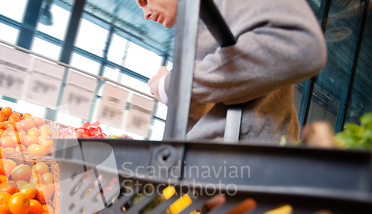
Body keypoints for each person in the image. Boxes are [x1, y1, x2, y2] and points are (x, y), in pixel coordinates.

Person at [136, 0, 327, 143]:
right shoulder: (199, 22)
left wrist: (169, 84)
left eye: (145, 0)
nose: (145, 14)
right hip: (216, 170)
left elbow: (301, 44)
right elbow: (220, 97)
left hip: (240, 167)